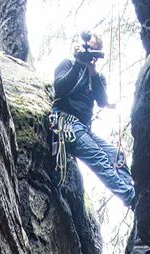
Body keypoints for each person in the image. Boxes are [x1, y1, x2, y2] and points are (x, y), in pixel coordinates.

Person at [50, 31, 136, 208]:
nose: (90, 53)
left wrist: (92, 71)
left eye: (94, 51)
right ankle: (131, 198)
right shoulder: (67, 64)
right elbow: (60, 89)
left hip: (84, 128)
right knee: (98, 157)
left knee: (116, 155)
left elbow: (102, 101)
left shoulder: (96, 76)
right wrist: (78, 63)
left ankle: (132, 192)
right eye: (88, 48)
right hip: (65, 122)